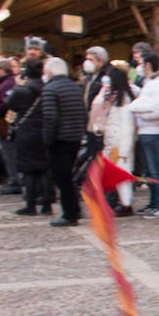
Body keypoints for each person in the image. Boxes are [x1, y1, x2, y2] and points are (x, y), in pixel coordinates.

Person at [40, 57, 87, 226]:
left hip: (59, 139)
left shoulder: (50, 89)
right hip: (74, 138)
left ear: (50, 71)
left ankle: (69, 214)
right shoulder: (74, 87)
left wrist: (47, 140)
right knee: (69, 176)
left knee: (62, 178)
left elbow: (50, 117)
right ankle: (74, 210)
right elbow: (83, 112)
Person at [89, 67, 138, 216]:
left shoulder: (124, 101)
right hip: (110, 142)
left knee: (122, 175)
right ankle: (116, 202)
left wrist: (123, 150)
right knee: (112, 175)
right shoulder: (111, 100)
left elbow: (128, 127)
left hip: (119, 145)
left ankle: (126, 204)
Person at [129, 53, 159, 218]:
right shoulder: (150, 83)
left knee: (156, 170)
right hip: (146, 131)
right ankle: (154, 202)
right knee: (149, 172)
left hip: (154, 132)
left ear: (147, 65)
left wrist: (142, 115)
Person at [7, 59, 52, 216]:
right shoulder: (47, 88)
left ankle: (31, 204)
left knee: (29, 170)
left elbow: (9, 104)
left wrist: (18, 85)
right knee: (44, 169)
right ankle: (47, 204)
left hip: (26, 131)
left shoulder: (22, 90)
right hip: (44, 130)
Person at [0, 57, 21, 194]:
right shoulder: (5, 82)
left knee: (10, 152)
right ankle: (14, 179)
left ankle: (15, 180)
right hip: (6, 122)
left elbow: (6, 103)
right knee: (8, 152)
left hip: (6, 122)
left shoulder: (8, 83)